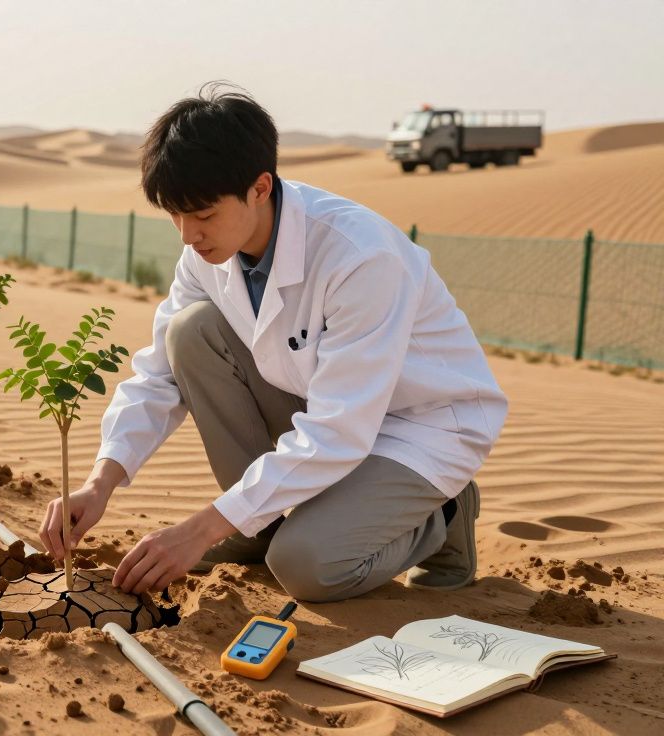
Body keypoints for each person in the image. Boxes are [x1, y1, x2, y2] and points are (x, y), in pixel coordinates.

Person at [37, 84, 508, 602]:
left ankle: (442, 510)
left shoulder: (360, 258)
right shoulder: (206, 252)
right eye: (175, 216)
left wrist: (199, 529)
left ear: (260, 188)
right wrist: (100, 481)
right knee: (189, 333)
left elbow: (340, 429)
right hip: (322, 400)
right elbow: (159, 374)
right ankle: (251, 529)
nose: (187, 235)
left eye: (203, 215)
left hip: (419, 426)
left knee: (305, 565)